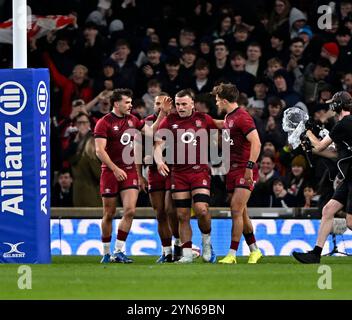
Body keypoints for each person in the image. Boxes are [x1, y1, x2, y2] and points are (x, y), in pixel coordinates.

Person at [94, 88, 166, 264]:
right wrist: (114, 169)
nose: (130, 105)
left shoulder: (133, 120)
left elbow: (152, 131)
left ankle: (118, 251)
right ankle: (105, 252)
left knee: (130, 210)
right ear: (116, 104)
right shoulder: (104, 123)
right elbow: (99, 150)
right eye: (127, 102)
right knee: (109, 213)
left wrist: (163, 112)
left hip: (129, 171)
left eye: (130, 102)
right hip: (110, 172)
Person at [155, 89, 219, 264]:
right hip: (179, 173)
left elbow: (219, 128)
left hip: (199, 172)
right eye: (178, 104)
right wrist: (159, 161)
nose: (181, 107)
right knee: (182, 215)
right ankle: (188, 253)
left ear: (192, 104)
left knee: (201, 209)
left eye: (184, 104)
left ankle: (207, 244)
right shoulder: (169, 121)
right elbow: (158, 146)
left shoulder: (203, 119)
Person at [293, 91, 352, 263]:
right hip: (349, 178)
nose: (330, 107)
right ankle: (315, 254)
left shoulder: (343, 124)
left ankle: (315, 254)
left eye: (332, 104)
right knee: (328, 210)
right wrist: (310, 149)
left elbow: (319, 146)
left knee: (350, 222)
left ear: (337, 106)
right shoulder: (346, 125)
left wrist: (307, 131)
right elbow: (334, 154)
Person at [212, 83, 263, 264]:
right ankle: (255, 250)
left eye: (217, 100)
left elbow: (256, 143)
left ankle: (232, 254)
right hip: (233, 169)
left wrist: (250, 166)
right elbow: (223, 127)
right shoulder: (229, 117)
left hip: (244, 169)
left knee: (235, 209)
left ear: (225, 100)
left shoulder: (242, 117)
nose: (216, 103)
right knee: (242, 213)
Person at [142, 92, 181, 262]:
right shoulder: (147, 122)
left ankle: (179, 244)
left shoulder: (176, 120)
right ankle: (167, 251)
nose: (160, 107)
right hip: (153, 171)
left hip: (172, 170)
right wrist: (139, 176)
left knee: (170, 210)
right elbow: (145, 141)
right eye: (157, 104)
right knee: (159, 213)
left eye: (163, 104)